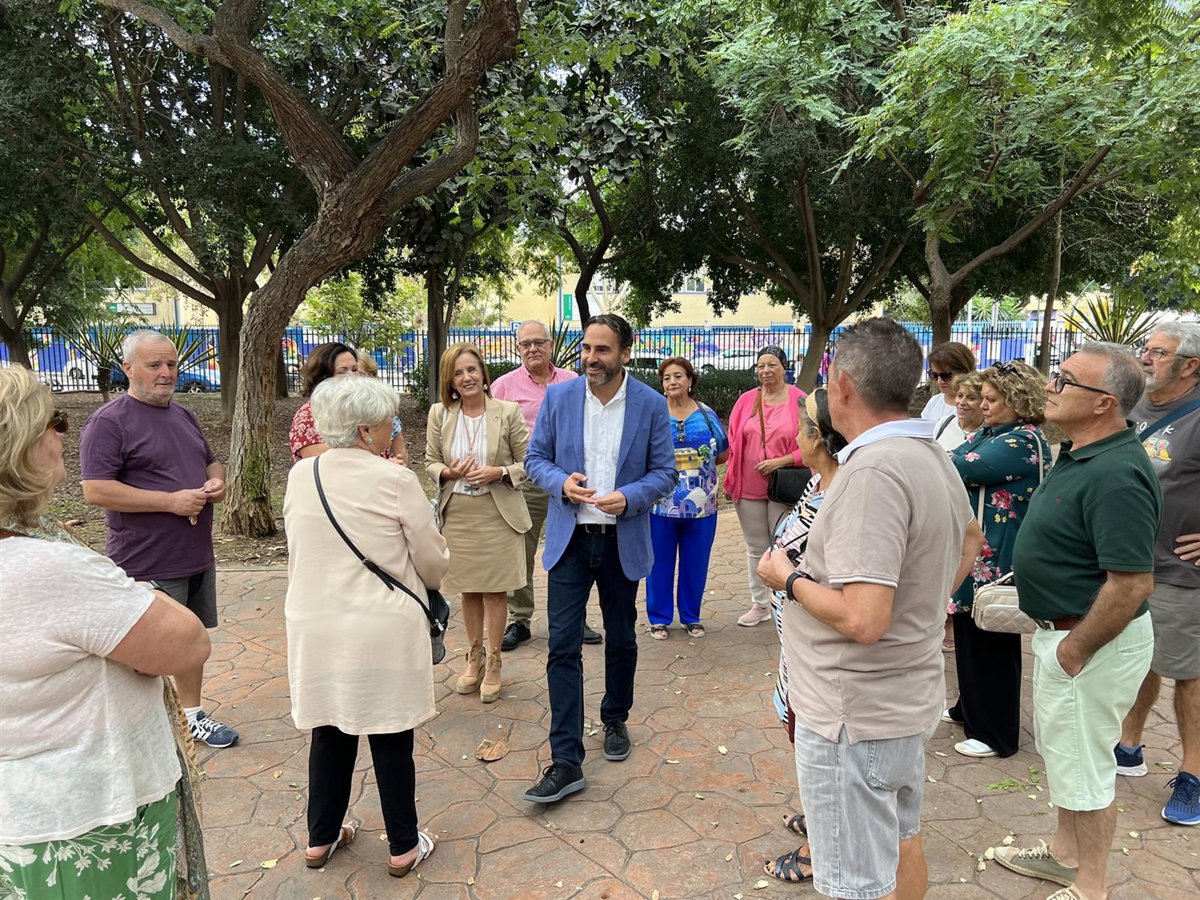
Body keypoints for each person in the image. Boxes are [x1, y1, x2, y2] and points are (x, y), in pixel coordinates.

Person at [757, 317, 982, 900]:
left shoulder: (871, 472)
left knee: (855, 882)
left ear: (844, 386)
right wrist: (923, 606)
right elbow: (971, 539)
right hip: (899, 700)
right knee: (903, 839)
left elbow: (863, 619)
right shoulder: (929, 452)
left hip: (853, 716)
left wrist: (787, 579)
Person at [0, 365, 211, 899]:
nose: (61, 436)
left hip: (24, 820)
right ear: (22, 446)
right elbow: (186, 643)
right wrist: (140, 591)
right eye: (55, 422)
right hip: (87, 821)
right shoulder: (49, 568)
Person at [992, 343, 1159, 900]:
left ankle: (1091, 887)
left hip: (1089, 643)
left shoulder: (1116, 473)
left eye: (1064, 381)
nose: (1050, 386)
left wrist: (1076, 648)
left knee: (1086, 770)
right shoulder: (1083, 451)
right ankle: (1065, 857)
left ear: (1104, 403)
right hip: (1069, 637)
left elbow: (1132, 583)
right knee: (1067, 756)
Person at [285, 375, 450, 878]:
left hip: (316, 622)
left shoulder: (302, 475)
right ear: (364, 430)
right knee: (391, 733)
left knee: (329, 730)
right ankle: (403, 845)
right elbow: (432, 560)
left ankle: (320, 837)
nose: (391, 428)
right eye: (386, 422)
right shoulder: (394, 480)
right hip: (380, 625)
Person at [522, 313, 676, 804]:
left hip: (620, 542)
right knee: (562, 647)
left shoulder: (651, 404)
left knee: (622, 638)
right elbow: (535, 459)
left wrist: (630, 497)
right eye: (587, 348)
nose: (591, 358)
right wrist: (560, 483)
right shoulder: (560, 398)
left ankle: (615, 718)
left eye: (603, 350)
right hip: (570, 540)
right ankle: (566, 759)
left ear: (626, 353)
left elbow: (665, 472)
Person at [80, 330, 237, 749]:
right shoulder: (109, 422)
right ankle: (140, 727)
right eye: (154, 365)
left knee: (189, 641)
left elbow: (211, 461)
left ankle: (192, 716)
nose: (166, 373)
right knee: (145, 652)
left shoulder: (183, 415)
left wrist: (215, 482)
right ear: (128, 368)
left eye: (171, 364)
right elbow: (95, 489)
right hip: (146, 560)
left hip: (194, 554)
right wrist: (169, 502)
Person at [943, 361, 1051, 759]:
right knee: (971, 631)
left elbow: (958, 465)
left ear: (1017, 401)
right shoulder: (994, 433)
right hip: (981, 550)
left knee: (991, 638)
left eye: (991, 399)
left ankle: (995, 733)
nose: (982, 405)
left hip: (999, 555)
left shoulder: (1022, 441)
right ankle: (970, 708)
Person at [1117, 323, 1200, 826]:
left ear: (1190, 366)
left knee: (1187, 673)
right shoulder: (1132, 404)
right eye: (1144, 349)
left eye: (1158, 352)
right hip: (1124, 565)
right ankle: (1128, 747)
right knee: (1137, 660)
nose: (1145, 358)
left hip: (1178, 570)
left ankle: (1193, 775)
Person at [765, 388, 846, 884]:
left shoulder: (845, 494)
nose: (794, 436)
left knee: (820, 742)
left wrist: (785, 576)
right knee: (797, 729)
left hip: (821, 647)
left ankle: (822, 847)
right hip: (794, 640)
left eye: (801, 428)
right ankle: (819, 811)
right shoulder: (818, 481)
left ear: (819, 437)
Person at [426, 343, 532, 704]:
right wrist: (447, 472)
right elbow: (430, 461)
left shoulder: (507, 411)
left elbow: (529, 463)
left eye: (472, 369)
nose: (467, 377)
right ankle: (474, 657)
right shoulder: (440, 414)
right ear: (450, 380)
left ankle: (496, 661)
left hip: (497, 514)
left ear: (483, 374)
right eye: (458, 373)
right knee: (468, 590)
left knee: (495, 590)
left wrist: (498, 472)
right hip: (458, 515)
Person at [491, 321, 601, 649]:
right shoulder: (503, 387)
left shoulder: (573, 381)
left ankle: (575, 618)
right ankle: (520, 619)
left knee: (573, 549)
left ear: (551, 345)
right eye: (526, 344)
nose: (532, 349)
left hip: (568, 481)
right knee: (520, 550)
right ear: (518, 349)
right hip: (525, 480)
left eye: (539, 342)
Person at [646, 357, 728, 639]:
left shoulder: (706, 414)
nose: (672, 382)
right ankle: (659, 618)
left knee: (696, 563)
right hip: (660, 505)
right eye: (667, 377)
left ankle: (691, 617)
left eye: (678, 376)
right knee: (659, 564)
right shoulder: (654, 415)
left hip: (702, 506)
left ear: (690, 380)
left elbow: (723, 453)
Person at [724, 346, 807, 627]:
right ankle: (760, 604)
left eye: (772, 364)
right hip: (748, 484)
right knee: (756, 546)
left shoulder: (800, 400)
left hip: (785, 485)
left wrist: (781, 461)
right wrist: (730, 479)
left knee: (784, 545)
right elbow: (733, 441)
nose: (766, 370)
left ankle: (787, 600)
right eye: (761, 366)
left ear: (784, 367)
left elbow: (813, 443)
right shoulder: (747, 400)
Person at [290, 342, 360, 461]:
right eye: (342, 371)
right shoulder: (309, 415)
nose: (352, 376)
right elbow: (323, 461)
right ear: (322, 376)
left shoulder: (362, 407)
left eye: (355, 369)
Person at [356, 351, 408, 464]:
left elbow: (402, 458)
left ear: (371, 375)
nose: (354, 380)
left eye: (359, 374)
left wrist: (394, 465)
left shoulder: (387, 415)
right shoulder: (333, 416)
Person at [921, 341, 976, 422]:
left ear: (965, 372)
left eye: (946, 376)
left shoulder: (976, 405)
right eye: (934, 375)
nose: (940, 381)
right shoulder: (934, 402)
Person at [934, 370, 985, 452]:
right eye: (960, 396)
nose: (962, 402)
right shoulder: (944, 422)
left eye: (971, 398)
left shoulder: (987, 433)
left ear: (984, 402)